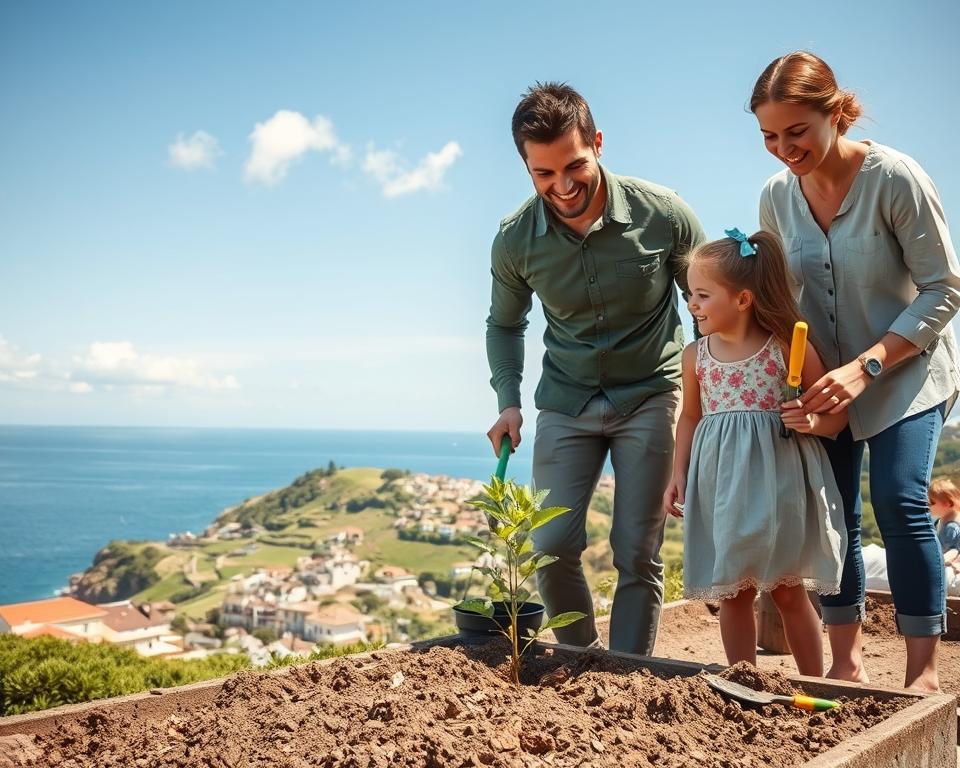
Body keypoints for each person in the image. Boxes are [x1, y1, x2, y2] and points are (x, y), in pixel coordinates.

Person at [753, 51, 960, 691]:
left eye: (796, 131)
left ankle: (923, 675)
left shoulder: (894, 178)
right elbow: (779, 298)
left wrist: (866, 367)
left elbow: (944, 289)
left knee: (898, 499)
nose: (784, 149)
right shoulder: (776, 198)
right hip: (823, 379)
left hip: (904, 371)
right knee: (832, 513)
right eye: (769, 136)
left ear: (836, 114)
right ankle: (846, 664)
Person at [485, 82, 705, 655]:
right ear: (526, 167)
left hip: (652, 394)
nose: (562, 186)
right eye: (543, 174)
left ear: (598, 144)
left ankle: (628, 675)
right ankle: (580, 663)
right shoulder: (514, 240)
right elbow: (504, 325)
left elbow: (710, 305)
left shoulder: (664, 214)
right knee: (550, 545)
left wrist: (710, 398)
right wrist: (508, 401)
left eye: (574, 166)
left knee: (636, 550)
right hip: (567, 399)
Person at [663, 228, 847, 676]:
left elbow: (837, 417)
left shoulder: (786, 347)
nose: (692, 305)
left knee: (787, 590)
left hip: (779, 486)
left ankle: (816, 684)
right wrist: (677, 473)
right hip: (723, 487)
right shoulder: (694, 356)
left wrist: (812, 422)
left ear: (743, 299)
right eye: (690, 295)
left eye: (703, 295)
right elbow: (690, 417)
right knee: (735, 593)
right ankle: (744, 686)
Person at [928, 478, 960, 597]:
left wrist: (937, 562)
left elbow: (953, 551)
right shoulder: (942, 519)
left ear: (947, 504)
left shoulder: (951, 526)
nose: (928, 505)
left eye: (932, 502)